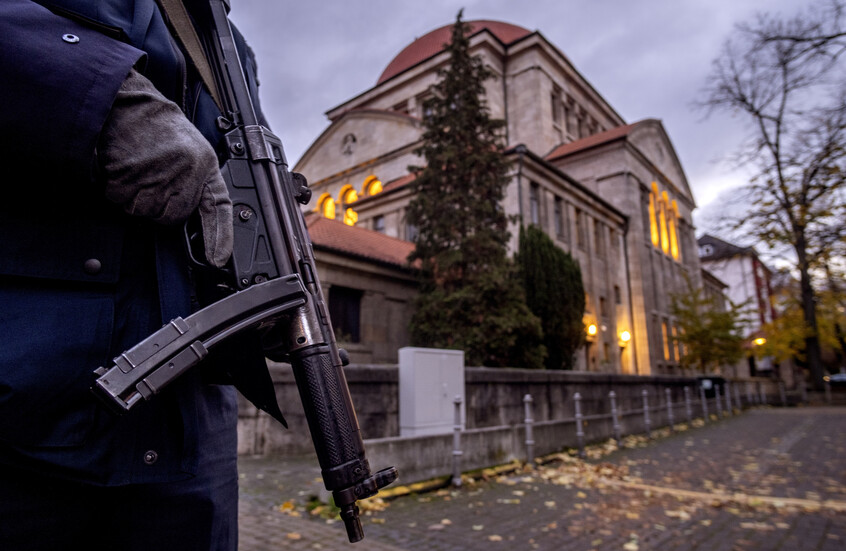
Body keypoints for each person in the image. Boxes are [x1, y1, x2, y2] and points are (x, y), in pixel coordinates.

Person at [0, 1, 269, 548]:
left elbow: (232, 182)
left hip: (191, 421)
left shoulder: (228, 44)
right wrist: (100, 96)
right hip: (29, 387)